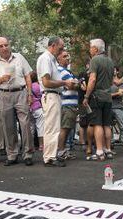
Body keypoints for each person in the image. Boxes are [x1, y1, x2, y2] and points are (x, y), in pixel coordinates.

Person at [0, 36, 34, 166]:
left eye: (6, 45)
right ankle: (12, 155)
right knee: (8, 126)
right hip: (4, 94)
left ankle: (28, 154)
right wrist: (1, 79)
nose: (4, 48)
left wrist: (30, 94)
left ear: (9, 45)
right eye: (1, 46)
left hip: (21, 92)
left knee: (25, 124)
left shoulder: (19, 57)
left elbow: (28, 76)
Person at [36, 36, 76, 167]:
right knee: (51, 127)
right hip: (50, 94)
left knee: (54, 127)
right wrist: (65, 82)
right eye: (61, 47)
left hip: (55, 95)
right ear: (53, 45)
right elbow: (46, 81)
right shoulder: (46, 58)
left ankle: (51, 155)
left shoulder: (51, 59)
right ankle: (49, 157)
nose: (62, 50)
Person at [82, 38, 114, 161]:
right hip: (108, 97)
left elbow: (92, 79)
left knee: (97, 124)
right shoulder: (110, 61)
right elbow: (111, 81)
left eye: (90, 47)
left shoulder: (95, 60)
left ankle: (99, 151)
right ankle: (108, 150)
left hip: (97, 96)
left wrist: (86, 96)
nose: (90, 50)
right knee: (107, 124)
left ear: (95, 49)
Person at [57, 50, 79, 160]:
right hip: (67, 104)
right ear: (58, 59)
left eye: (68, 56)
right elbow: (72, 85)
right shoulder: (60, 70)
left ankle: (63, 150)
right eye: (64, 56)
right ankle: (60, 151)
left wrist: (75, 82)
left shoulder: (67, 71)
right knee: (64, 128)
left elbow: (74, 83)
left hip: (71, 104)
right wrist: (77, 83)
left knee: (68, 128)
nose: (68, 58)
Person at [29, 71, 44, 151]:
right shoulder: (38, 86)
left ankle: (31, 146)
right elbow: (41, 95)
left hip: (29, 108)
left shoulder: (27, 87)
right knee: (40, 127)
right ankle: (41, 145)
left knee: (31, 128)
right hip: (38, 107)